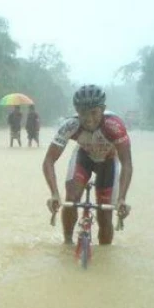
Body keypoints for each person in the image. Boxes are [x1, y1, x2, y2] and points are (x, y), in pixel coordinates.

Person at [42, 84, 132, 245]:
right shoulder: (70, 125)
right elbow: (49, 161)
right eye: (83, 113)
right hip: (84, 157)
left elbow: (126, 163)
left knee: (105, 215)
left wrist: (122, 199)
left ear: (103, 109)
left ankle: (104, 252)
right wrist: (54, 194)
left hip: (108, 162)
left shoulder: (115, 126)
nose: (89, 119)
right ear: (76, 111)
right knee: (71, 199)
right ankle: (67, 243)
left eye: (94, 112)